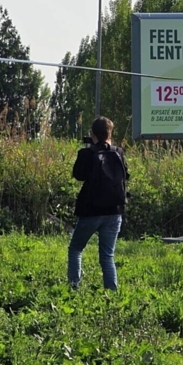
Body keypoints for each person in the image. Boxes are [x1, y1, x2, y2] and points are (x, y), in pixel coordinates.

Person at [68, 117, 128, 291]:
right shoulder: (119, 152)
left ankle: (74, 288)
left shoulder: (86, 153)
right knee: (107, 256)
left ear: (92, 134)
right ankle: (112, 291)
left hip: (91, 211)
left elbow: (79, 175)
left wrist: (89, 152)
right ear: (110, 133)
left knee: (76, 249)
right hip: (115, 211)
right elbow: (126, 176)